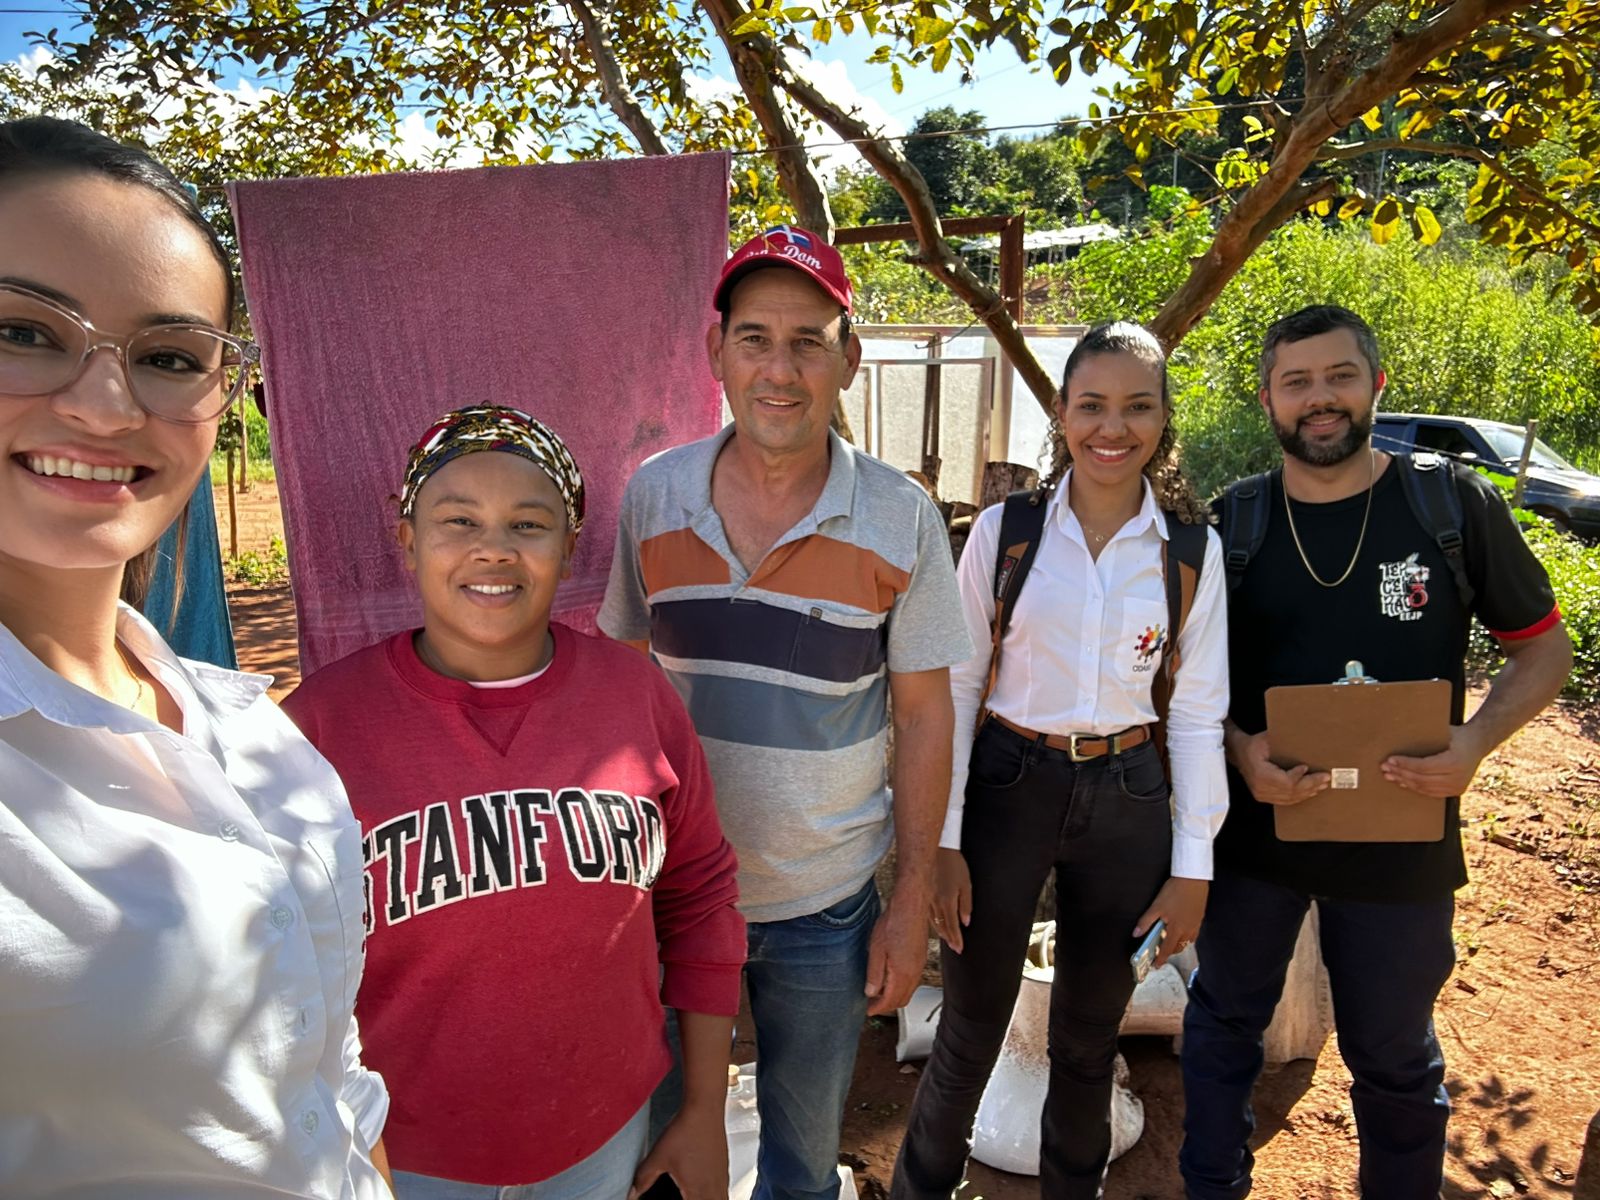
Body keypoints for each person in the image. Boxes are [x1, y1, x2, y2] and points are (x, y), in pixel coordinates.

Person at [0, 116, 392, 1197]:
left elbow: (333, 1078)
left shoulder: (249, 728)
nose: (104, 404)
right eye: (25, 332)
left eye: (170, 357)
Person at [284, 405, 745, 1200]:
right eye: (457, 519)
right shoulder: (317, 726)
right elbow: (278, 965)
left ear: (569, 547)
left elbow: (701, 898)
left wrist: (704, 1108)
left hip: (603, 1141)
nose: (492, 548)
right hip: (400, 1154)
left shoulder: (636, 698)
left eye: (528, 523)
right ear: (407, 538)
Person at [599, 226, 972, 1200]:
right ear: (714, 349)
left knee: (801, 1166)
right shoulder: (653, 496)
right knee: (663, 1160)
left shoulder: (901, 517)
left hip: (825, 905)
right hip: (671, 898)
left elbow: (927, 717)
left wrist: (908, 901)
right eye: (756, 337)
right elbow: (620, 688)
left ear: (849, 358)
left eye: (809, 340)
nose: (781, 367)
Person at [1180, 305, 1574, 1199]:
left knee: (1395, 1058)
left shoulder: (1448, 506)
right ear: (1268, 400)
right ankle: (1211, 1184)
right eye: (1297, 382)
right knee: (1221, 1028)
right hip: (1257, 836)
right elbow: (1182, 681)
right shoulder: (1232, 525)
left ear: (1375, 385)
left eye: (1338, 377)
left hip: (1402, 836)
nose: (1320, 399)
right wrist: (1241, 752)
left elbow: (1545, 647)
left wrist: (1473, 742)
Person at [890, 321, 1230, 1198]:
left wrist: (1192, 868)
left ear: (1163, 420)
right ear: (1061, 412)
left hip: (1127, 796)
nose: (1112, 428)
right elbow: (956, 688)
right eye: (1091, 405)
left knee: (1087, 1039)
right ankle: (925, 1185)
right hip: (1008, 784)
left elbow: (1195, 713)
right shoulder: (1007, 533)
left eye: (1137, 407)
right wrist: (945, 842)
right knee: (968, 1027)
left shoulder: (1189, 552)